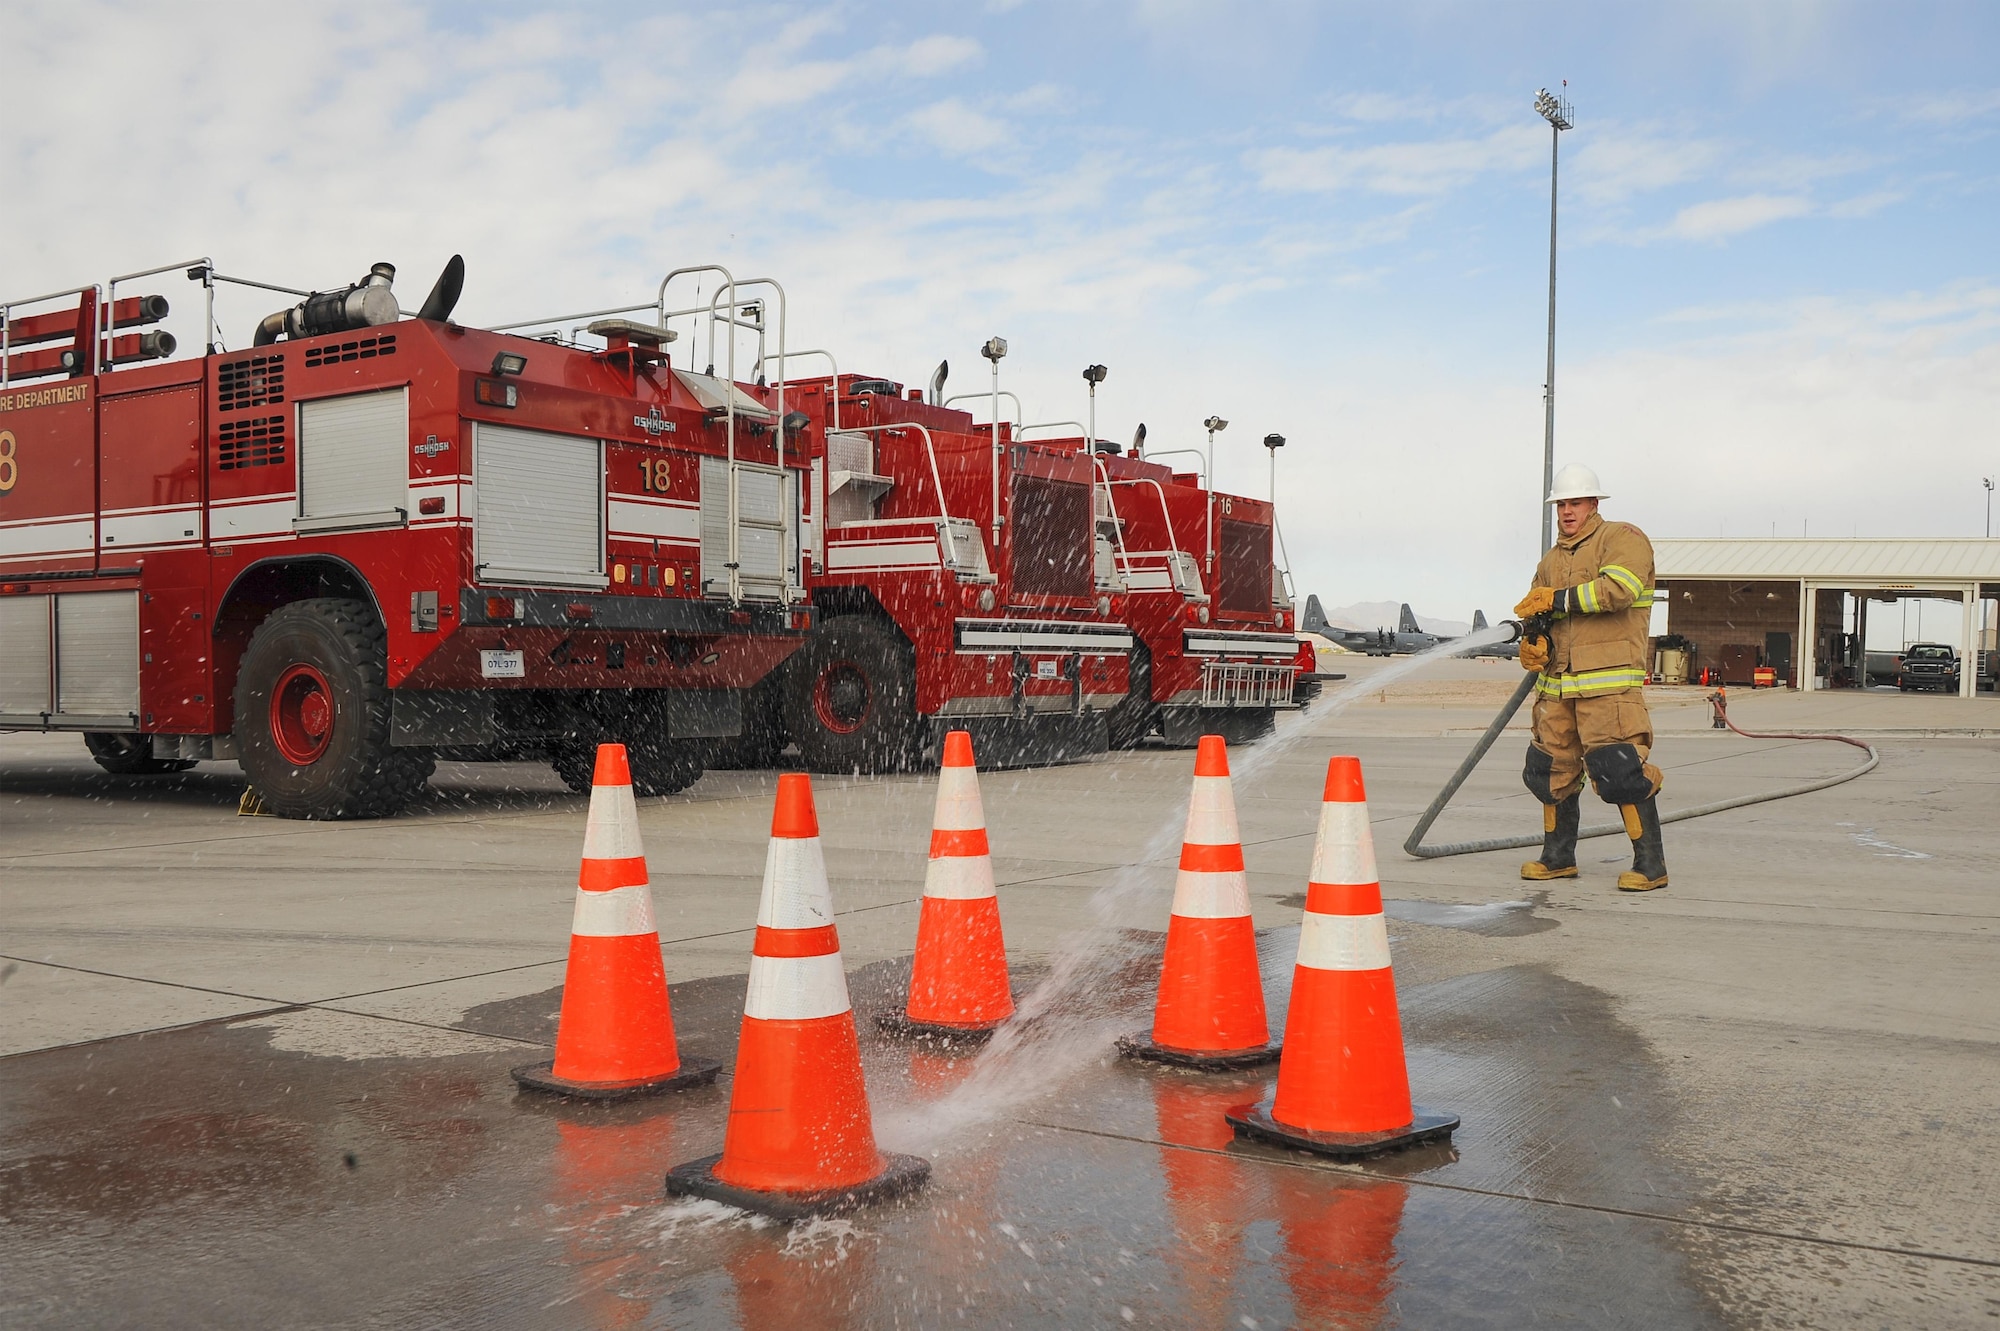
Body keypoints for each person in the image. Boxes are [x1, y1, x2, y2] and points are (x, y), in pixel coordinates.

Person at [1513, 464, 1667, 891]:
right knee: (1549, 771)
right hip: (1556, 689)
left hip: (1608, 688)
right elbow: (1537, 611)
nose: (1566, 511)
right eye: (1561, 504)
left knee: (1618, 771)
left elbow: (1619, 591)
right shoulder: (1550, 561)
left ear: (1594, 504)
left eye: (1575, 502)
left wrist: (1558, 599)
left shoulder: (1623, 539)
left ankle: (1650, 864)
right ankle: (1558, 857)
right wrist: (1534, 640)